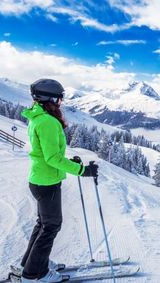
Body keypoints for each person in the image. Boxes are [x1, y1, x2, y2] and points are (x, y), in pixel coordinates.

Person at [20, 79, 98, 282]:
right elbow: (52, 158)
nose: (60, 102)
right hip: (47, 183)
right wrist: (82, 170)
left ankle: (32, 263)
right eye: (58, 99)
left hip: (39, 178)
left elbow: (48, 153)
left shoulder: (38, 117)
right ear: (48, 98)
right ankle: (33, 274)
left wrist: (68, 162)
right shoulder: (47, 122)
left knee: (43, 224)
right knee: (51, 226)